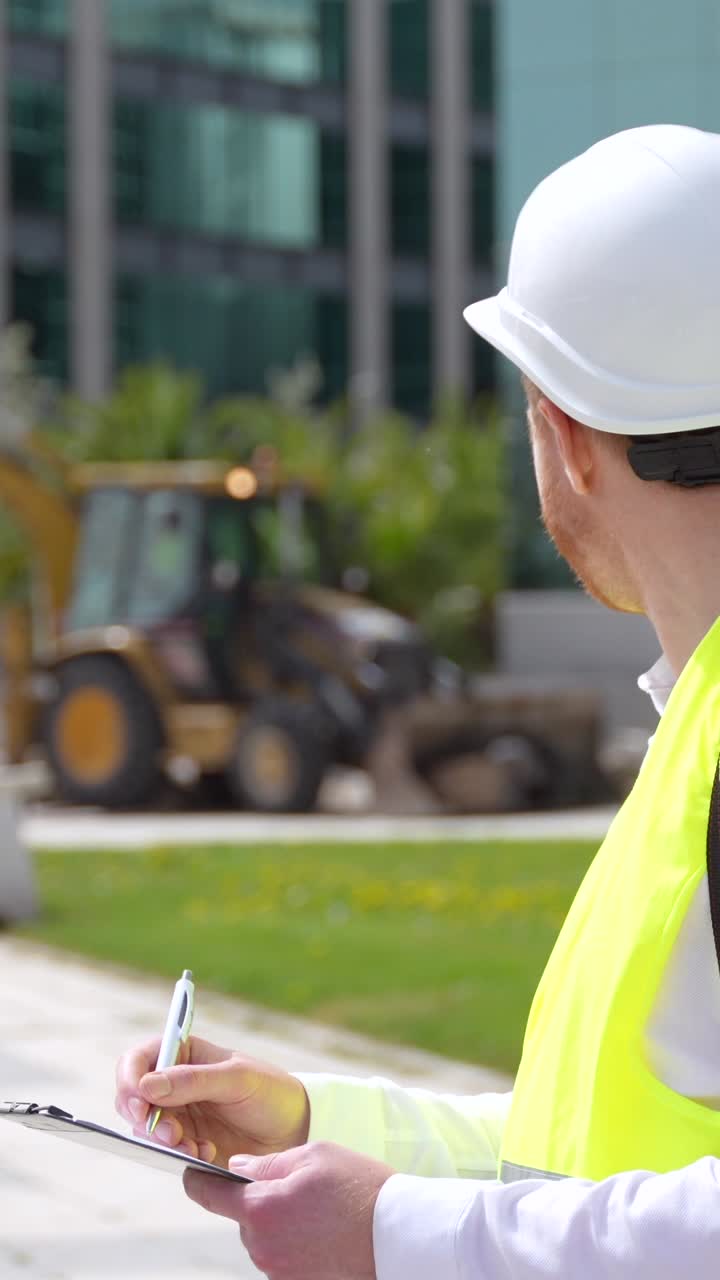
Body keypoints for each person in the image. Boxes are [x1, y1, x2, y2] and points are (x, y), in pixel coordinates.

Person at [117, 123, 720, 1276]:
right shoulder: (695, 727)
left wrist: (400, 1233)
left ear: (567, 437)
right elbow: (582, 1162)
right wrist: (312, 1122)